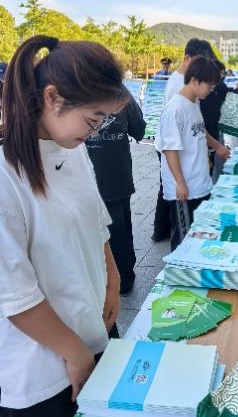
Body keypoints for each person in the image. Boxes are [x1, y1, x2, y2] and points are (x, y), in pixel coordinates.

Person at [0, 35, 127, 417]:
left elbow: (95, 222)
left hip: (93, 335)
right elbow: (14, 295)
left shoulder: (72, 149)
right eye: (92, 120)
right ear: (53, 98)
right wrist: (74, 352)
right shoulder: (6, 175)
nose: (95, 131)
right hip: (46, 370)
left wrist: (112, 279)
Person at [152, 38, 229, 241]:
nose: (211, 90)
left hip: (199, 184)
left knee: (198, 237)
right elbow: (170, 149)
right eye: (209, 85)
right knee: (183, 240)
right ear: (194, 81)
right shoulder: (175, 108)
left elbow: (200, 132)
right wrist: (179, 183)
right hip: (185, 190)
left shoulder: (193, 102)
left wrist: (216, 148)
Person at [86, 93, 146, 295]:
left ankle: (117, 277)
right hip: (118, 174)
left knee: (108, 230)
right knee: (121, 227)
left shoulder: (77, 91)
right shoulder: (122, 94)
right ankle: (124, 276)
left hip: (91, 175)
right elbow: (139, 130)